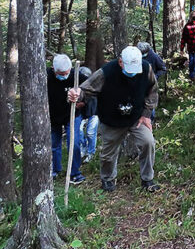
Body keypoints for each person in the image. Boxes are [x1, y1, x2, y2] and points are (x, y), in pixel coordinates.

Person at [68, 46, 160, 193]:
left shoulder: (145, 69)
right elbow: (86, 90)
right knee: (108, 153)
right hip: (112, 119)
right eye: (130, 69)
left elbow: (152, 90)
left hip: (136, 117)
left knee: (148, 142)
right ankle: (108, 179)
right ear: (120, 62)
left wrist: (146, 113)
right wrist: (76, 94)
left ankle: (147, 178)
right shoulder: (106, 72)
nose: (133, 73)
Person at [47, 54, 87, 184]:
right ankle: (54, 170)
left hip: (72, 115)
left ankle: (75, 172)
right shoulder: (45, 76)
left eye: (66, 73)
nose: (64, 76)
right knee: (54, 144)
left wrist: (82, 100)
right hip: (52, 116)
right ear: (53, 69)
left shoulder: (77, 76)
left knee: (74, 142)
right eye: (61, 73)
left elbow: (91, 90)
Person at [137, 41, 166, 123]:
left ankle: (150, 121)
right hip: (138, 84)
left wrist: (155, 77)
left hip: (150, 85)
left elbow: (163, 69)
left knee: (149, 102)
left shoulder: (154, 56)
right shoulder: (136, 56)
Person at [79, 66, 98, 163]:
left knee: (91, 133)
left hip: (93, 113)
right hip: (81, 114)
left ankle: (91, 152)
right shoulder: (77, 87)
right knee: (79, 132)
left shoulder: (95, 85)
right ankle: (83, 148)